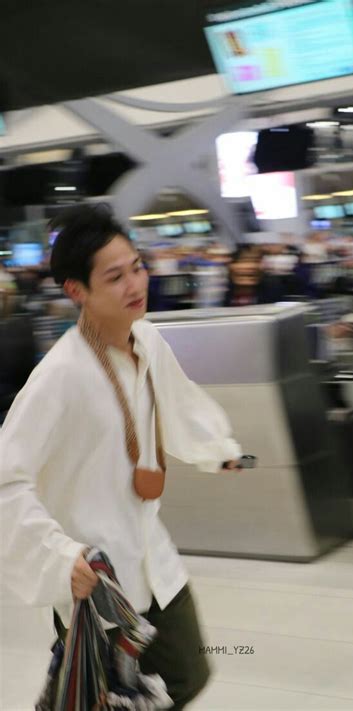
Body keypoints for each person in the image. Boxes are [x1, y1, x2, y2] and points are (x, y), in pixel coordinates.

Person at [0, 205, 243, 709]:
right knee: (111, 693)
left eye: (137, 266)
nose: (136, 283)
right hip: (98, 579)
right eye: (115, 276)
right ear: (77, 291)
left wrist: (216, 449)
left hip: (153, 556)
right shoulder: (60, 376)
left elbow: (177, 399)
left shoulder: (146, 340)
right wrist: (59, 556)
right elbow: (6, 479)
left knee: (186, 674)